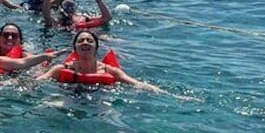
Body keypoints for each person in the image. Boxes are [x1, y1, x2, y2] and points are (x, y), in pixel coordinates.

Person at [35, 30, 195, 99]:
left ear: (96, 47)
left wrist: (173, 95)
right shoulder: (60, 70)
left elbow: (137, 84)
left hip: (99, 98)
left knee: (116, 122)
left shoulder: (109, 71)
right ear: (75, 48)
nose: (85, 42)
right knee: (47, 106)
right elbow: (37, 82)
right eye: (81, 40)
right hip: (68, 96)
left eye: (89, 41)